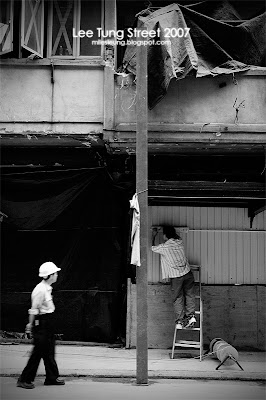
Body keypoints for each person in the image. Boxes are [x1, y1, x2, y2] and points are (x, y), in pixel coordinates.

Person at [17, 261, 65, 389]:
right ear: (49, 275)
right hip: (41, 323)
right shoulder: (40, 290)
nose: (57, 275)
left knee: (49, 351)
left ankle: (52, 377)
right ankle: (24, 379)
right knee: (38, 352)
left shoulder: (47, 289)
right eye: (55, 273)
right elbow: (34, 310)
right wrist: (30, 325)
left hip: (47, 322)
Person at [151, 226, 196, 329]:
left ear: (165, 235)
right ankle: (191, 316)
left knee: (178, 297)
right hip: (187, 273)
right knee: (189, 295)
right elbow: (176, 236)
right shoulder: (179, 241)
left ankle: (180, 321)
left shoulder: (164, 247)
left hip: (176, 277)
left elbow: (152, 248)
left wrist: (154, 235)